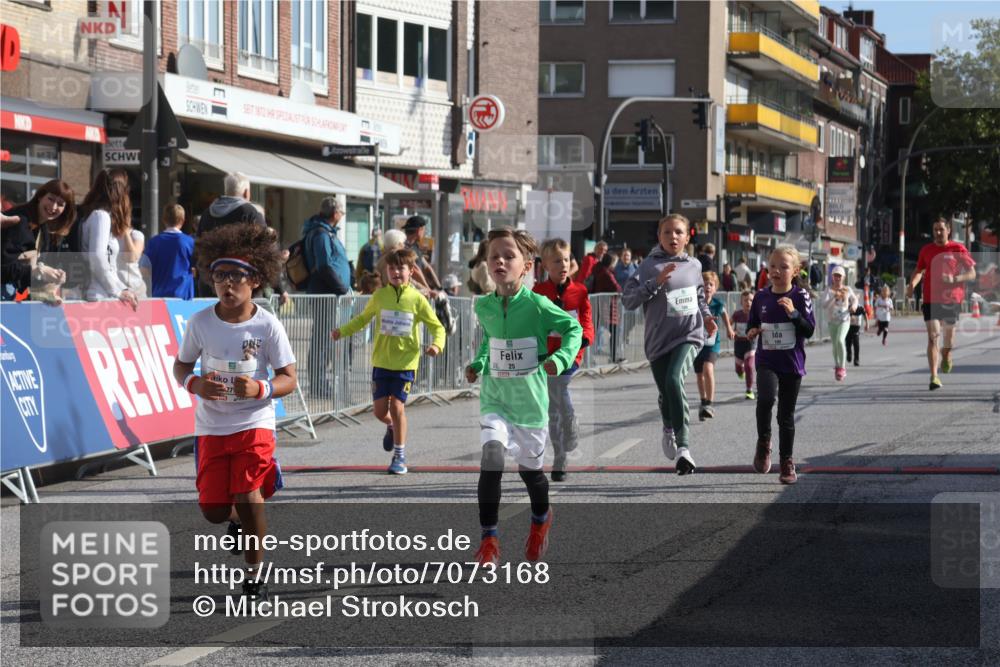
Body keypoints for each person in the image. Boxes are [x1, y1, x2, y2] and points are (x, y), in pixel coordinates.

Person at [172, 223, 297, 602]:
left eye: (235, 276)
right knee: (213, 509)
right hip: (211, 425)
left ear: (255, 280)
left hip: (254, 422)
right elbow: (180, 367)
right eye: (219, 276)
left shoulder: (267, 325)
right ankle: (238, 517)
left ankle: (255, 573)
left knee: (246, 493)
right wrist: (194, 384)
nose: (227, 285)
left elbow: (289, 378)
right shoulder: (200, 323)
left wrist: (261, 388)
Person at [465, 228, 582, 565]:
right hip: (495, 399)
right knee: (491, 460)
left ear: (526, 266)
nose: (500, 261)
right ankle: (489, 541)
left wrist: (559, 359)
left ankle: (541, 521)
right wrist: (479, 363)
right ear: (486, 264)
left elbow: (572, 329)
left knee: (532, 476)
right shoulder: (484, 306)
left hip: (529, 405)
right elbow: (490, 341)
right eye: (493, 256)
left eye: (509, 256)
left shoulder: (537, 305)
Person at [332, 248, 445, 475]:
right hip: (381, 361)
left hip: (405, 363)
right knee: (379, 411)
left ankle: (399, 456)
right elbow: (363, 319)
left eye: (400, 268)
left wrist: (436, 345)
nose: (395, 272)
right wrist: (342, 331)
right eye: (391, 268)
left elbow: (437, 327)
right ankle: (391, 425)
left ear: (411, 271)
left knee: (397, 406)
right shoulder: (380, 296)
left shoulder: (417, 299)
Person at [622, 214, 716, 476]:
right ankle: (667, 426)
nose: (673, 237)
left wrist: (707, 317)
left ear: (687, 237)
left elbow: (700, 297)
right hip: (658, 340)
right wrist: (655, 283)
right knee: (666, 393)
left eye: (678, 232)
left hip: (689, 334)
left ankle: (684, 448)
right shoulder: (648, 266)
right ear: (659, 236)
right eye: (667, 232)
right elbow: (628, 300)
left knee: (675, 380)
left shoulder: (695, 265)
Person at [746, 244, 816, 485]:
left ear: (795, 271)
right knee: (765, 399)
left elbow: (809, 330)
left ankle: (787, 461)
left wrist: (794, 314)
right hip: (767, 360)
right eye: (772, 266)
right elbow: (752, 324)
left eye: (783, 267)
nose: (776, 271)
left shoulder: (800, 296)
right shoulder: (761, 297)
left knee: (786, 416)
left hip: (792, 363)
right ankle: (764, 443)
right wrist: (752, 331)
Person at [533, 238, 594, 482]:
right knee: (551, 408)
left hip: (570, 353)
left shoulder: (579, 291)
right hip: (546, 355)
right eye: (557, 261)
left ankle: (570, 423)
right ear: (546, 265)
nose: (563, 265)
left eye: (566, 259)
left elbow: (586, 319)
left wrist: (586, 337)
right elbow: (532, 323)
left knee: (559, 387)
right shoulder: (538, 293)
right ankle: (559, 457)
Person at [906, 216, 977, 390]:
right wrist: (911, 285)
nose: (938, 233)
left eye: (941, 229)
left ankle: (946, 355)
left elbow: (972, 274)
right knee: (933, 337)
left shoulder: (958, 249)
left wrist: (955, 278)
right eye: (935, 229)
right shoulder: (926, 250)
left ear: (948, 230)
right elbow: (918, 270)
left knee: (949, 341)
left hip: (952, 299)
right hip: (930, 298)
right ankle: (934, 376)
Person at [1, 179, 75, 302]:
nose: (54, 207)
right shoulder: (19, 221)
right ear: (40, 196)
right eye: (51, 199)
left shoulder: (43, 229)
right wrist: (39, 271)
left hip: (9, 293)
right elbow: (4, 267)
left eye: (61, 204)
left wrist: (50, 281)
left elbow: (24, 272)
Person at [78, 169, 138, 310]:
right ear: (121, 192)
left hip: (101, 293)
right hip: (98, 296)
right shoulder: (101, 216)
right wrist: (117, 290)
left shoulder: (94, 215)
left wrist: (122, 289)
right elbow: (97, 258)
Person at [695, 272, 734, 420]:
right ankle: (703, 401)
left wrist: (729, 329)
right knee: (699, 375)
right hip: (697, 343)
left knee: (708, 368)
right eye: (704, 284)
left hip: (712, 343)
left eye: (711, 284)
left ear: (715, 288)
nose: (707, 287)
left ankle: (709, 403)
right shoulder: (696, 303)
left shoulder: (718, 304)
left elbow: (724, 315)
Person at [144, 203, 195, 299]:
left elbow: (145, 269)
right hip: (183, 297)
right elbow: (197, 268)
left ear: (163, 220)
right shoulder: (190, 242)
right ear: (183, 221)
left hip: (158, 295)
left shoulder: (154, 242)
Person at [196, 172, 266, 237]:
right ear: (246, 193)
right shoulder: (249, 211)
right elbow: (264, 241)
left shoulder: (207, 213)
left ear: (226, 190)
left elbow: (198, 241)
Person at [823, 265, 858, 381]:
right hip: (832, 320)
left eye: (839, 276)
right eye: (835, 275)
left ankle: (842, 368)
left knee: (840, 340)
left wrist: (853, 305)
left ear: (843, 277)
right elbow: (824, 305)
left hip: (844, 319)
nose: (837, 278)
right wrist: (834, 296)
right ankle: (837, 365)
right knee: (835, 345)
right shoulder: (828, 290)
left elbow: (855, 299)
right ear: (832, 277)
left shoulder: (847, 289)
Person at [590, 253, 622, 361]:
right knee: (615, 331)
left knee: (594, 331)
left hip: (598, 304)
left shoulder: (597, 270)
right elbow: (617, 288)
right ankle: (613, 357)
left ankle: (589, 358)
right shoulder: (607, 274)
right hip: (607, 306)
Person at [402, 216, 442, 293]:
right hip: (412, 291)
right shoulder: (407, 249)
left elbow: (427, 268)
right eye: (424, 230)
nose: (424, 234)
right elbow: (416, 271)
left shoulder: (413, 247)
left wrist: (439, 288)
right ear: (419, 230)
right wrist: (430, 289)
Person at [731, 290, 757, 400]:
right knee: (738, 369)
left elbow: (760, 326)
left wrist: (756, 331)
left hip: (750, 344)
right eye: (746, 300)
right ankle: (740, 372)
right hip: (739, 344)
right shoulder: (737, 314)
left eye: (751, 300)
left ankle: (749, 390)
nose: (748, 302)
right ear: (741, 302)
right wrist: (731, 331)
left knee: (749, 366)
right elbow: (729, 323)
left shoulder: (755, 315)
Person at [117, 226, 147, 299]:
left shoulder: (136, 235)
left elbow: (132, 258)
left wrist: (126, 233)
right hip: (117, 288)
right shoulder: (109, 235)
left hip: (135, 288)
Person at [845, 301, 868, 367]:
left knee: (856, 343)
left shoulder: (860, 307)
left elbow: (865, 314)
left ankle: (856, 359)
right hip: (848, 327)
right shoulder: (847, 306)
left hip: (856, 328)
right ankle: (849, 354)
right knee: (848, 342)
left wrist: (867, 324)